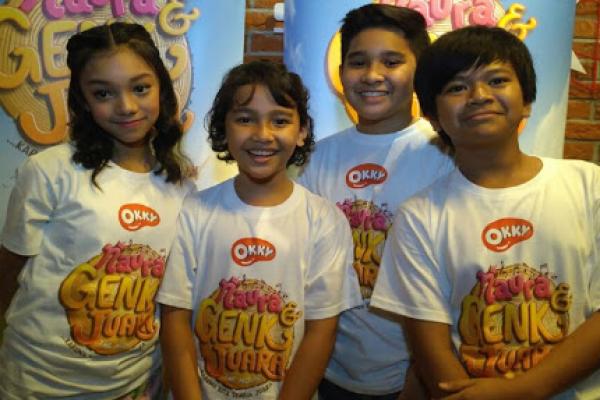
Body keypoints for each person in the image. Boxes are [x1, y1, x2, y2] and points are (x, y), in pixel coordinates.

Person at [371, 25, 600, 400]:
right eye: (457, 87)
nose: (479, 96)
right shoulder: (419, 217)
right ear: (432, 115)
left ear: (527, 100)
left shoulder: (588, 185)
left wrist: (527, 389)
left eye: (496, 80)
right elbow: (432, 352)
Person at [0, 22, 194, 399]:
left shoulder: (182, 189)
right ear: (83, 101)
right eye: (103, 93)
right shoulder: (49, 171)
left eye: (140, 88)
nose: (126, 106)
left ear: (162, 89)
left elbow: (172, 302)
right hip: (36, 383)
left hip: (134, 385)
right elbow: (9, 271)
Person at [157, 60, 362, 400]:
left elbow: (321, 332)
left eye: (280, 121)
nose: (262, 134)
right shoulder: (195, 210)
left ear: (301, 131)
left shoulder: (324, 220)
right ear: (224, 129)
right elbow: (175, 318)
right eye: (245, 119)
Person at [297, 4, 454, 398]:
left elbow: (454, 282)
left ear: (419, 71)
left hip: (414, 376)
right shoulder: (317, 157)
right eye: (358, 62)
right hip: (326, 369)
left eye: (392, 62)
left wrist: (421, 376)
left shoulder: (445, 156)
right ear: (341, 72)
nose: (372, 75)